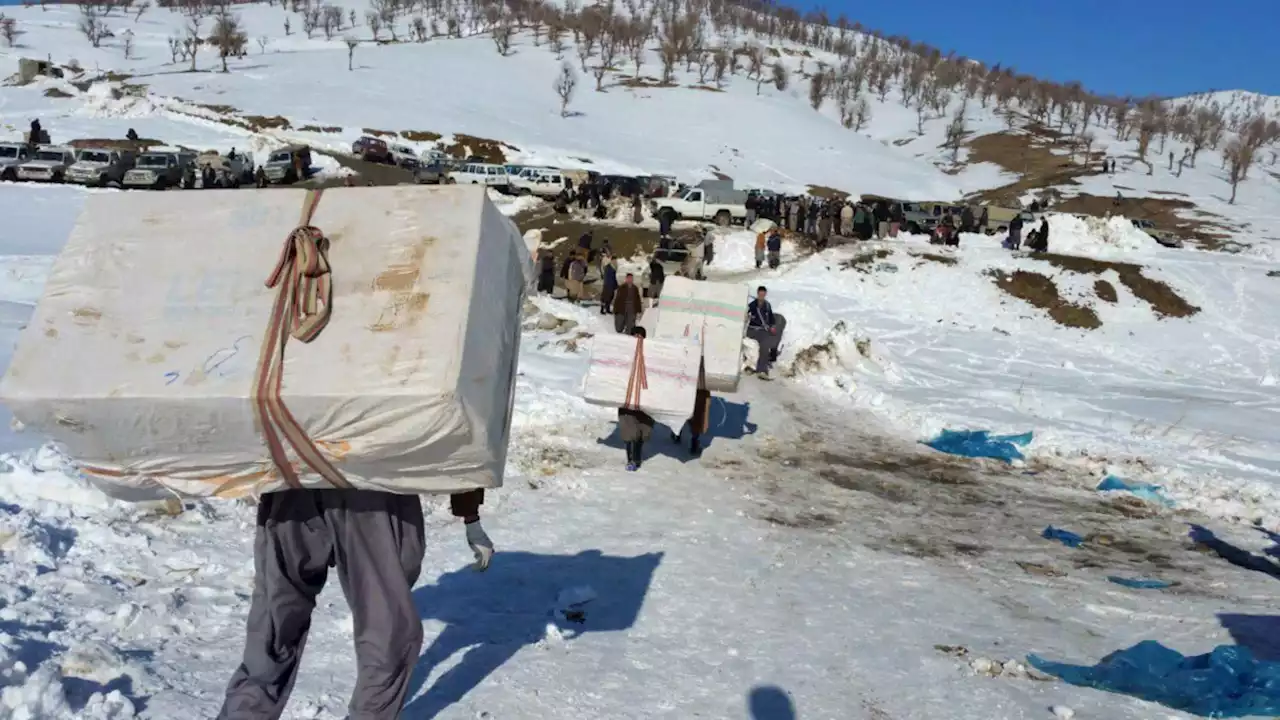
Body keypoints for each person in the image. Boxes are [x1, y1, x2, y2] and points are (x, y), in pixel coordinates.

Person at [218, 488, 493, 719]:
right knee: (275, 626)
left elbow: (461, 426)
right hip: (306, 483)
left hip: (366, 481)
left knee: (385, 628)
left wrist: (469, 510)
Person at [617, 328, 656, 472]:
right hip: (627, 399)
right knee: (629, 430)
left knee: (643, 430)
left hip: (645, 398)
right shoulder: (624, 353)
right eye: (634, 336)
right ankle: (631, 460)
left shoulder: (652, 353)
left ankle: (637, 456)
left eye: (640, 337)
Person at [746, 286, 783, 378]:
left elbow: (771, 319)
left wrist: (773, 326)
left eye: (763, 294)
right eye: (760, 294)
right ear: (758, 294)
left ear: (765, 294)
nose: (761, 296)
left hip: (762, 331)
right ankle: (750, 365)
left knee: (765, 345)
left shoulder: (767, 305)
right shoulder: (752, 306)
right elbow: (746, 317)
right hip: (752, 330)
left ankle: (762, 370)